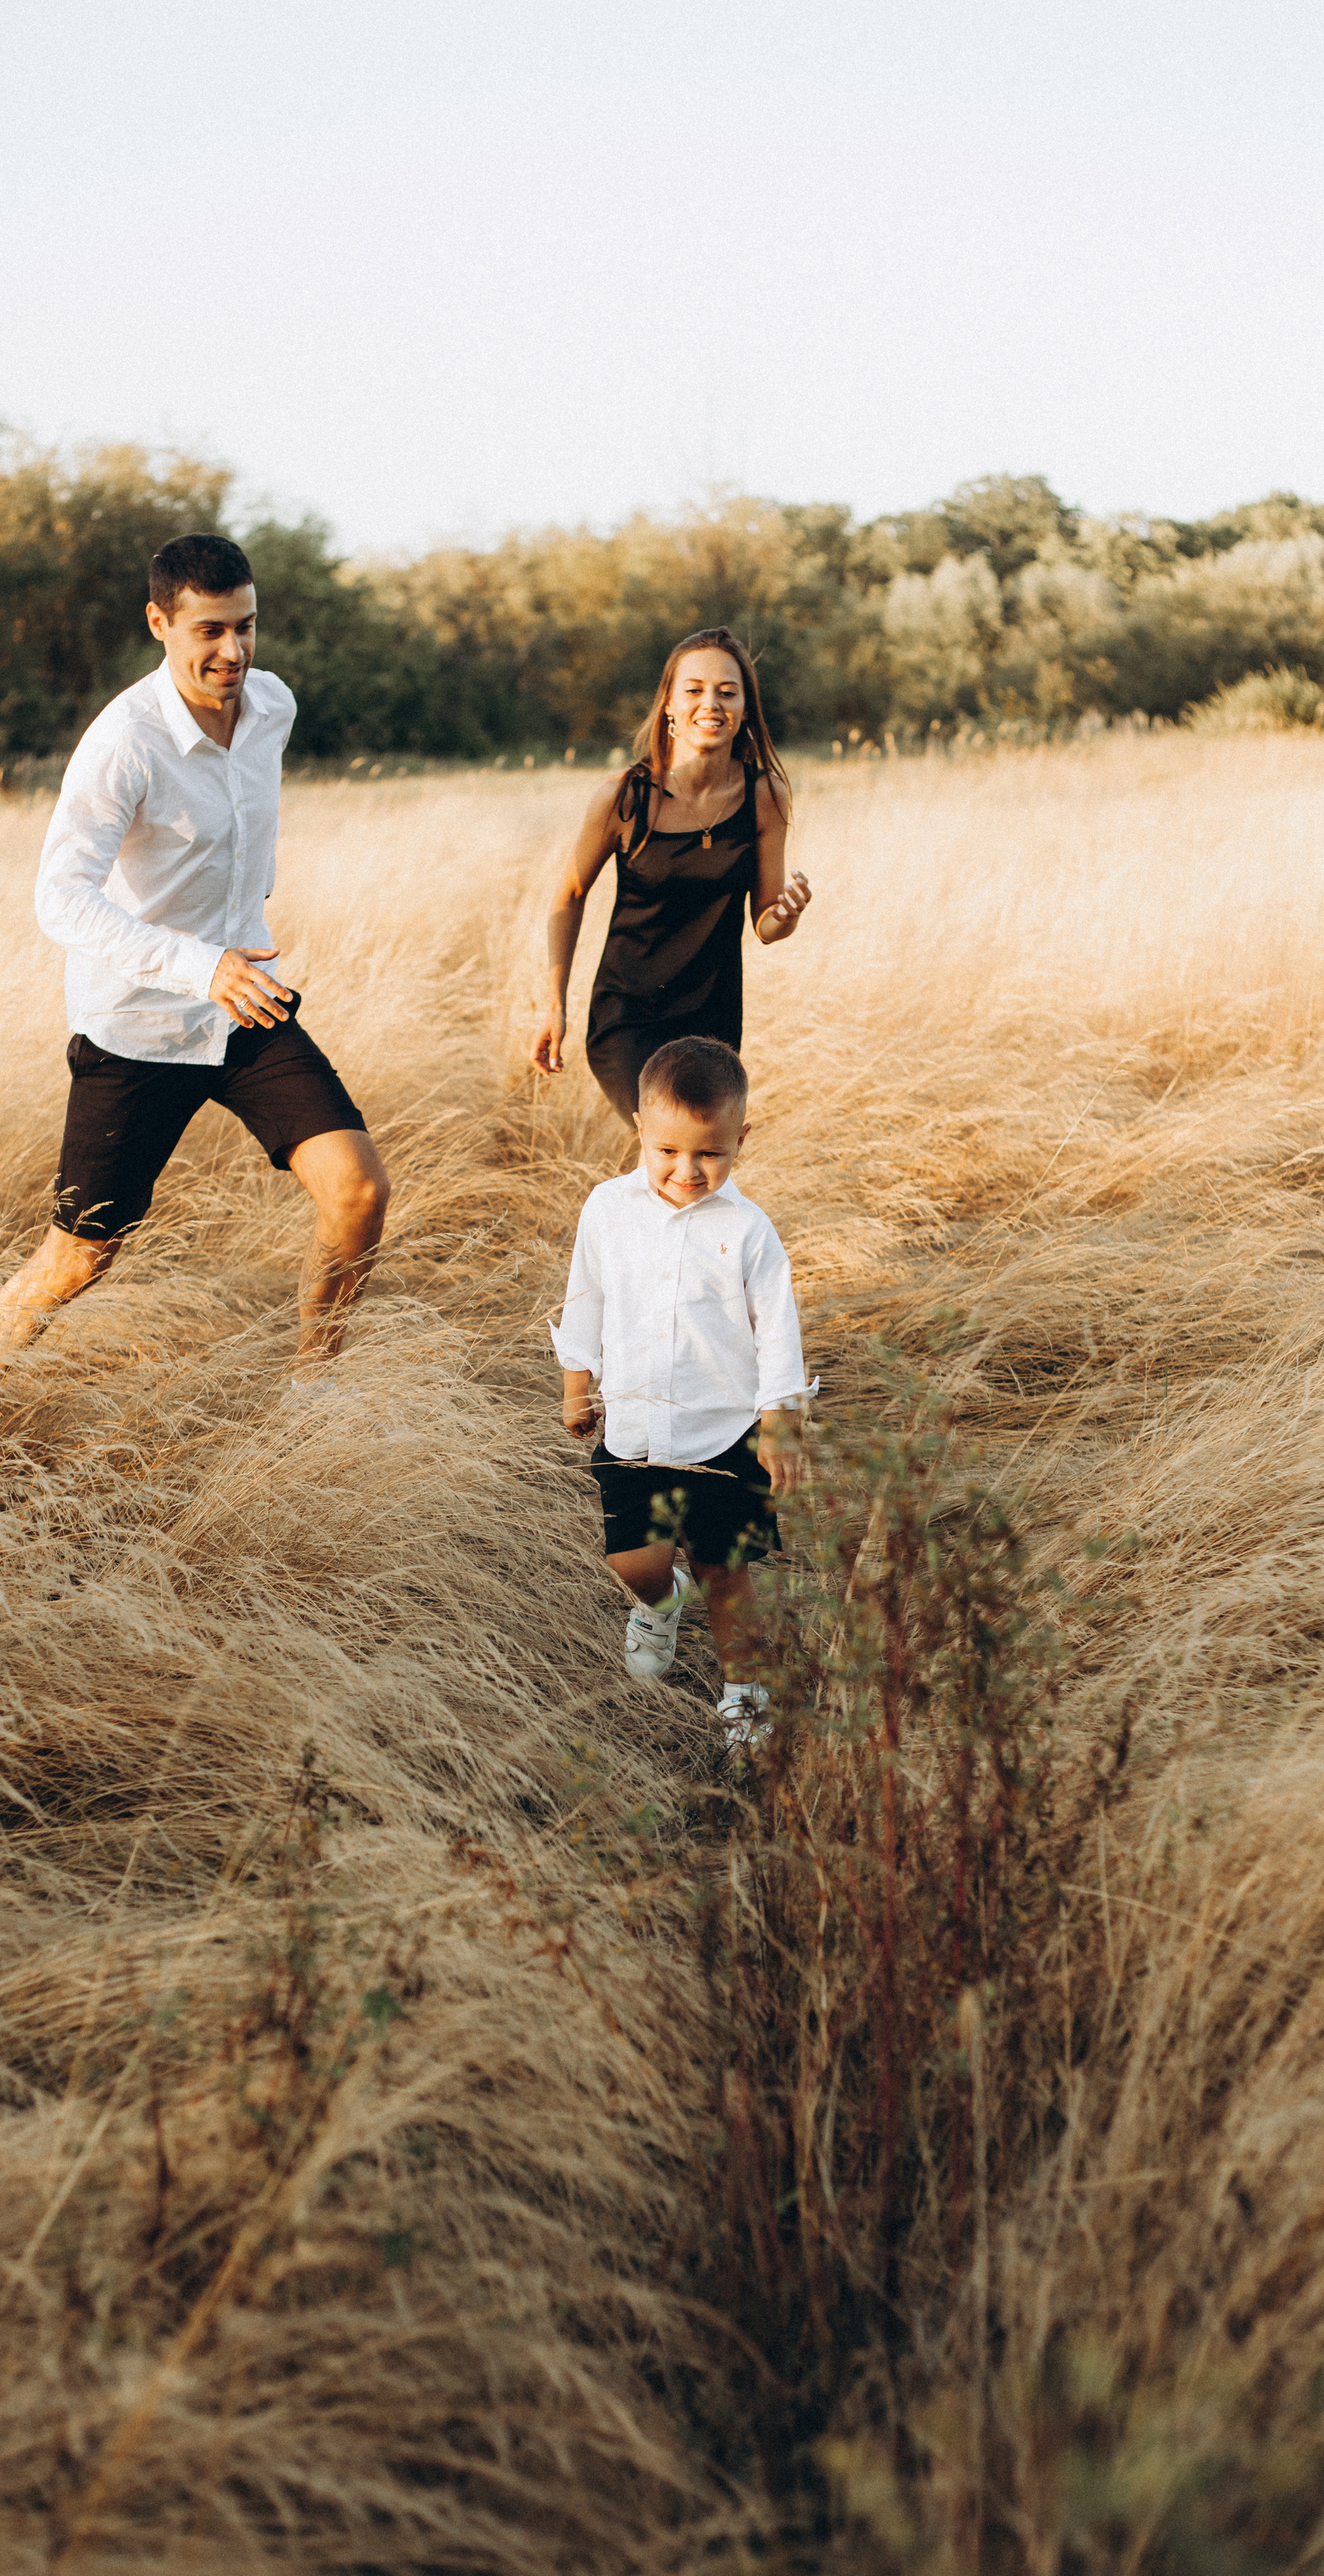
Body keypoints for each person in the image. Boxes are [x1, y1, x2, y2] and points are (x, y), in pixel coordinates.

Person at [0, 533, 388, 1385]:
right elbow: (60, 898)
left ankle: (313, 1396)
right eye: (210, 631)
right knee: (80, 1257)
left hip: (244, 1011)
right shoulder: (124, 741)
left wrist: (243, 919)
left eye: (246, 626)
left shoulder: (272, 706)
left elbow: (242, 828)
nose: (233, 651)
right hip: (137, 1026)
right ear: (159, 623)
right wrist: (202, 965)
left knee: (358, 1192)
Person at [550, 1034, 811, 1748]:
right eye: (667, 1150)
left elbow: (777, 1330)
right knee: (634, 1563)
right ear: (639, 1128)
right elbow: (586, 1296)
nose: (688, 1171)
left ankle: (744, 1695)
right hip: (635, 1432)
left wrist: (780, 1420)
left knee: (725, 1573)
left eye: (710, 1154)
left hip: (723, 1433)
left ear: (741, 1140)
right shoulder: (608, 1209)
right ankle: (660, 1604)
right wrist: (577, 1384)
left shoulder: (749, 1230)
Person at [528, 627, 812, 1122]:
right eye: (694, 689)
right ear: (669, 706)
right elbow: (569, 895)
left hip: (713, 1020)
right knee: (666, 1134)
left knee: (699, 1151)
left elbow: (765, 923)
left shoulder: (765, 796)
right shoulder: (624, 797)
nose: (711, 704)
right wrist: (555, 1005)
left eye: (728, 692)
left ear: (746, 709)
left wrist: (785, 918)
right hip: (628, 1016)